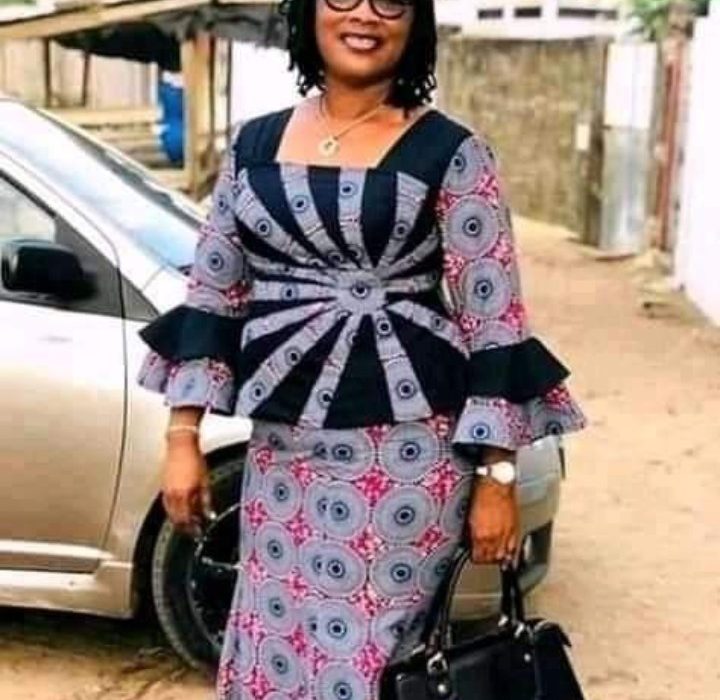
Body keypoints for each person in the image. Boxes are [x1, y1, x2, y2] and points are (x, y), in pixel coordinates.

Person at [136, 0, 587, 695]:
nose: (366, 16)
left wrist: (497, 479)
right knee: (272, 649)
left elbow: (494, 318)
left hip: (405, 461)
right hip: (282, 456)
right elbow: (214, 291)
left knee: (366, 664)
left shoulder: (452, 153)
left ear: (415, 23)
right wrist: (182, 435)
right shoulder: (254, 146)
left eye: (391, 2)